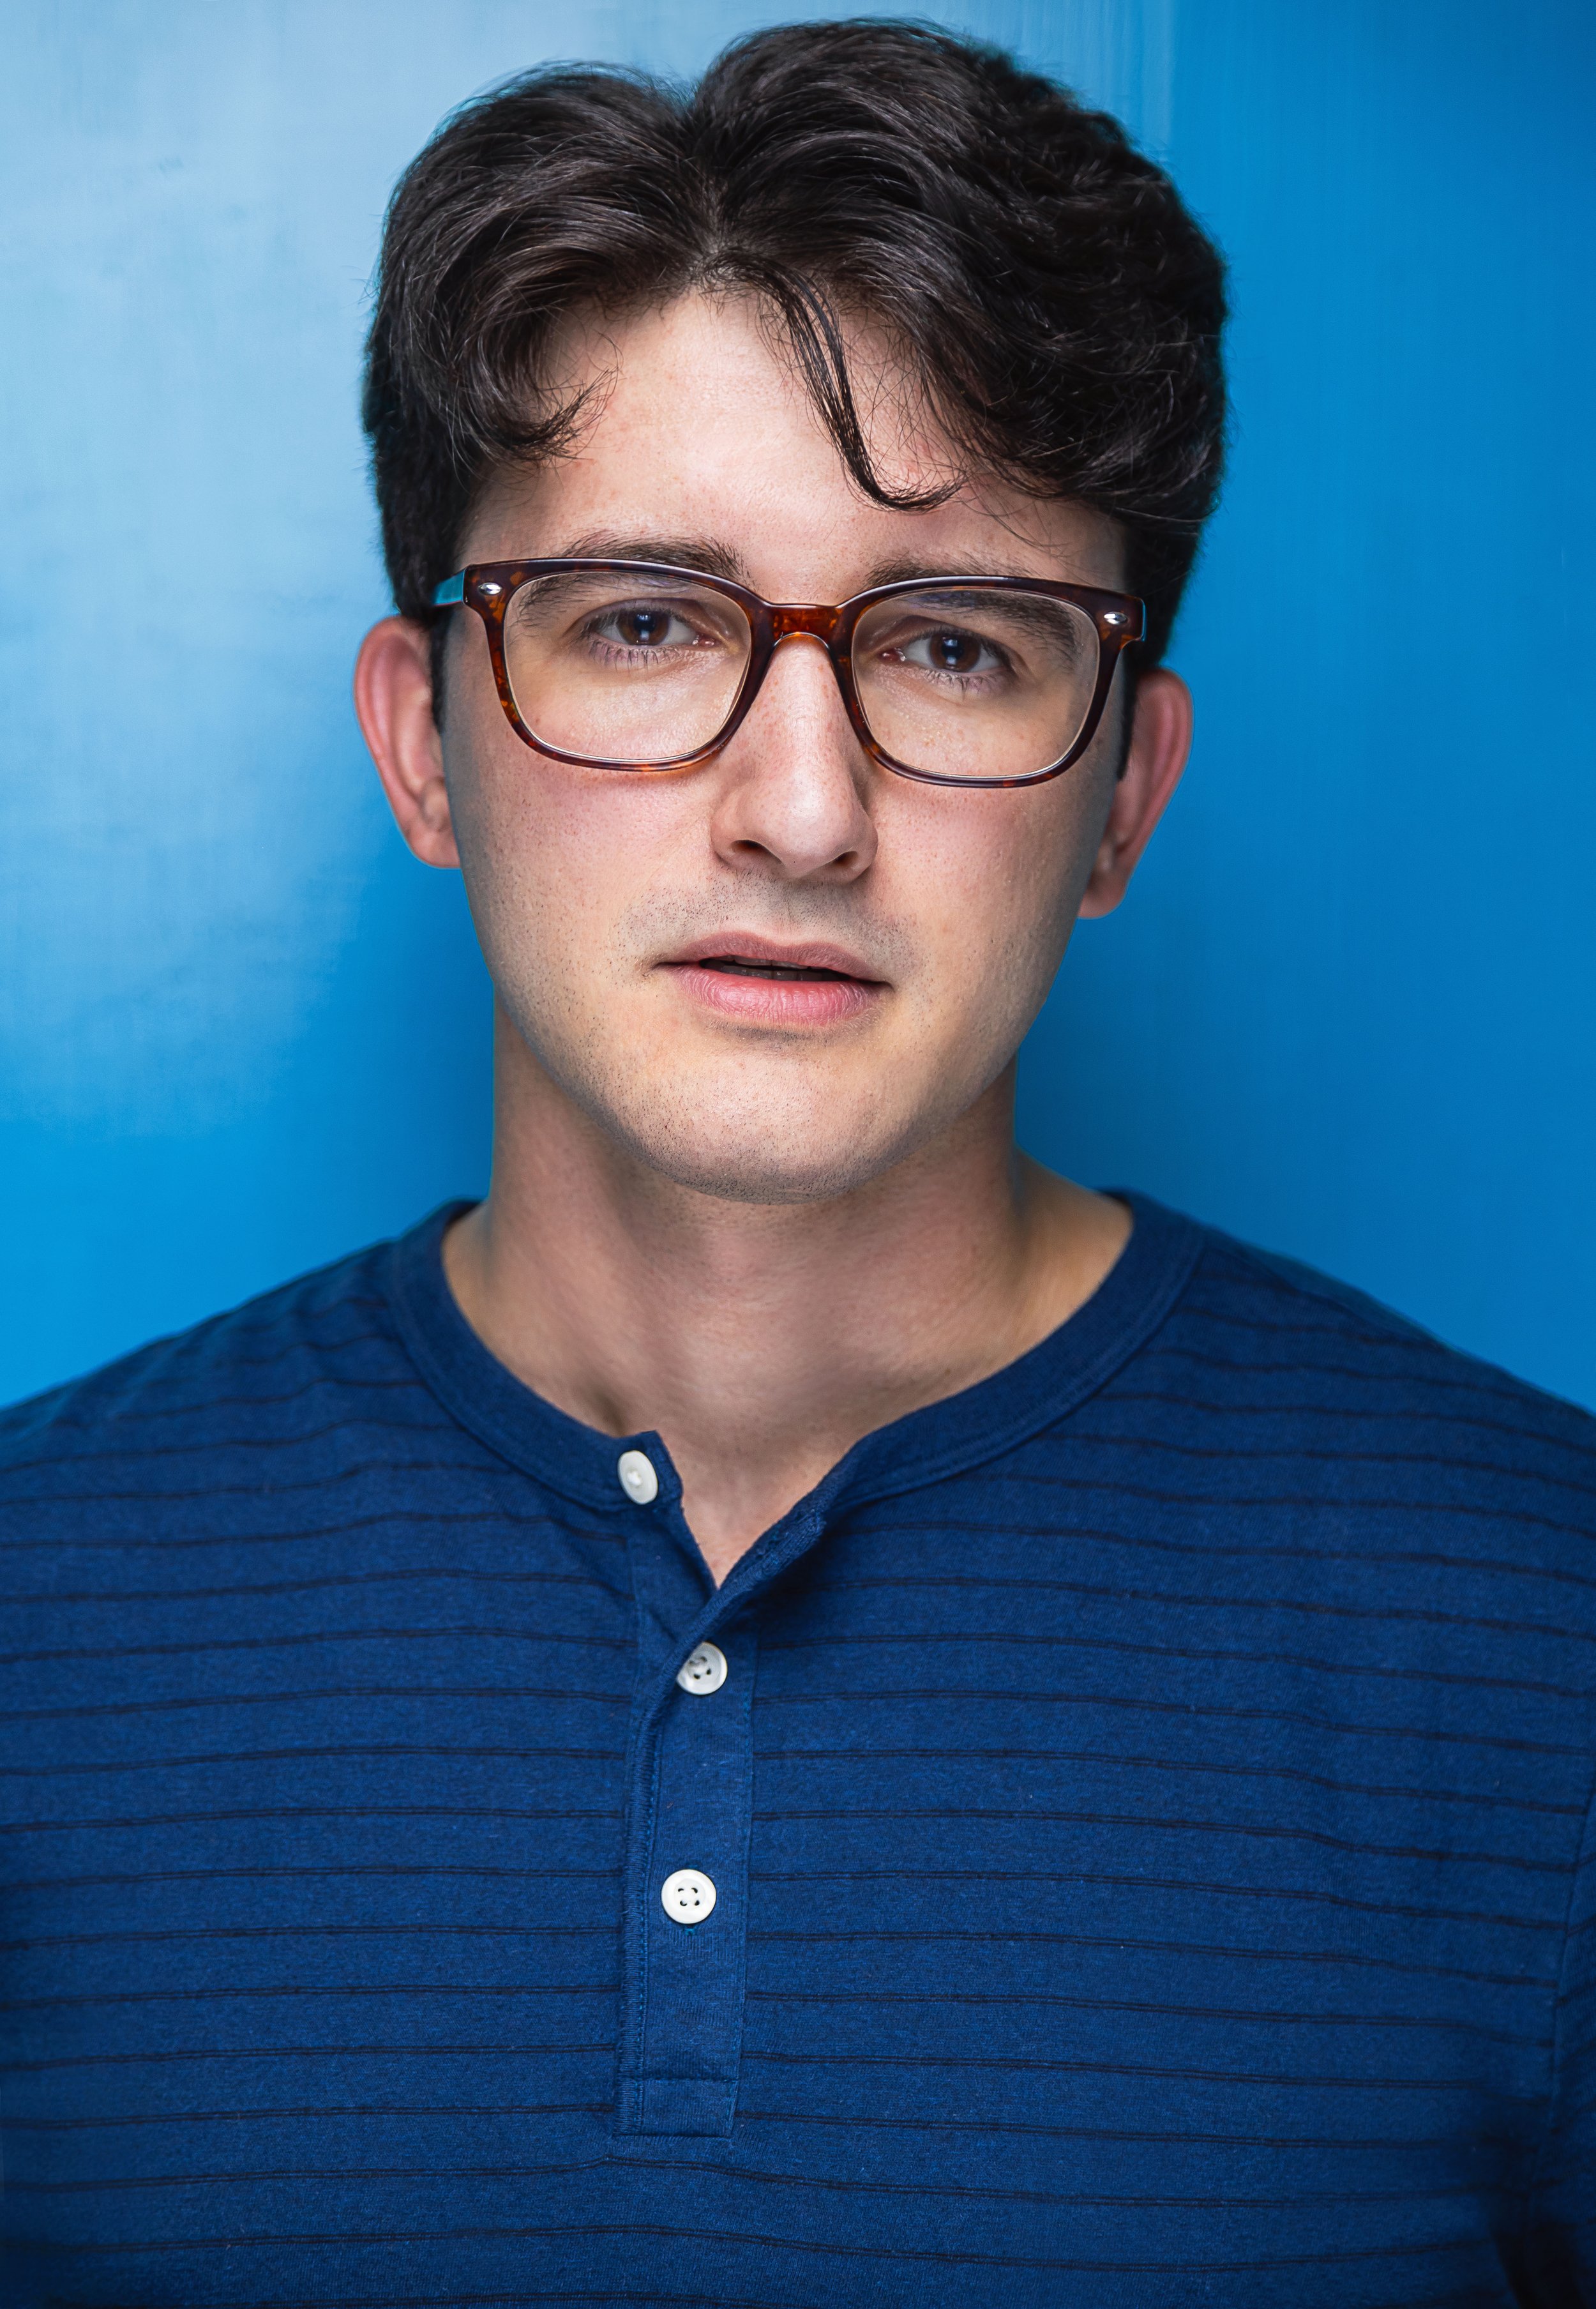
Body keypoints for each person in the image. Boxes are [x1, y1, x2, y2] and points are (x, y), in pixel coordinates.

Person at [3, 21, 1592, 2305]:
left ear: (1120, 796)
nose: (800, 808)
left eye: (956, 648)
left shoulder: (1547, 1641)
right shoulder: (29, 1612)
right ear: (423, 743)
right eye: (644, 625)